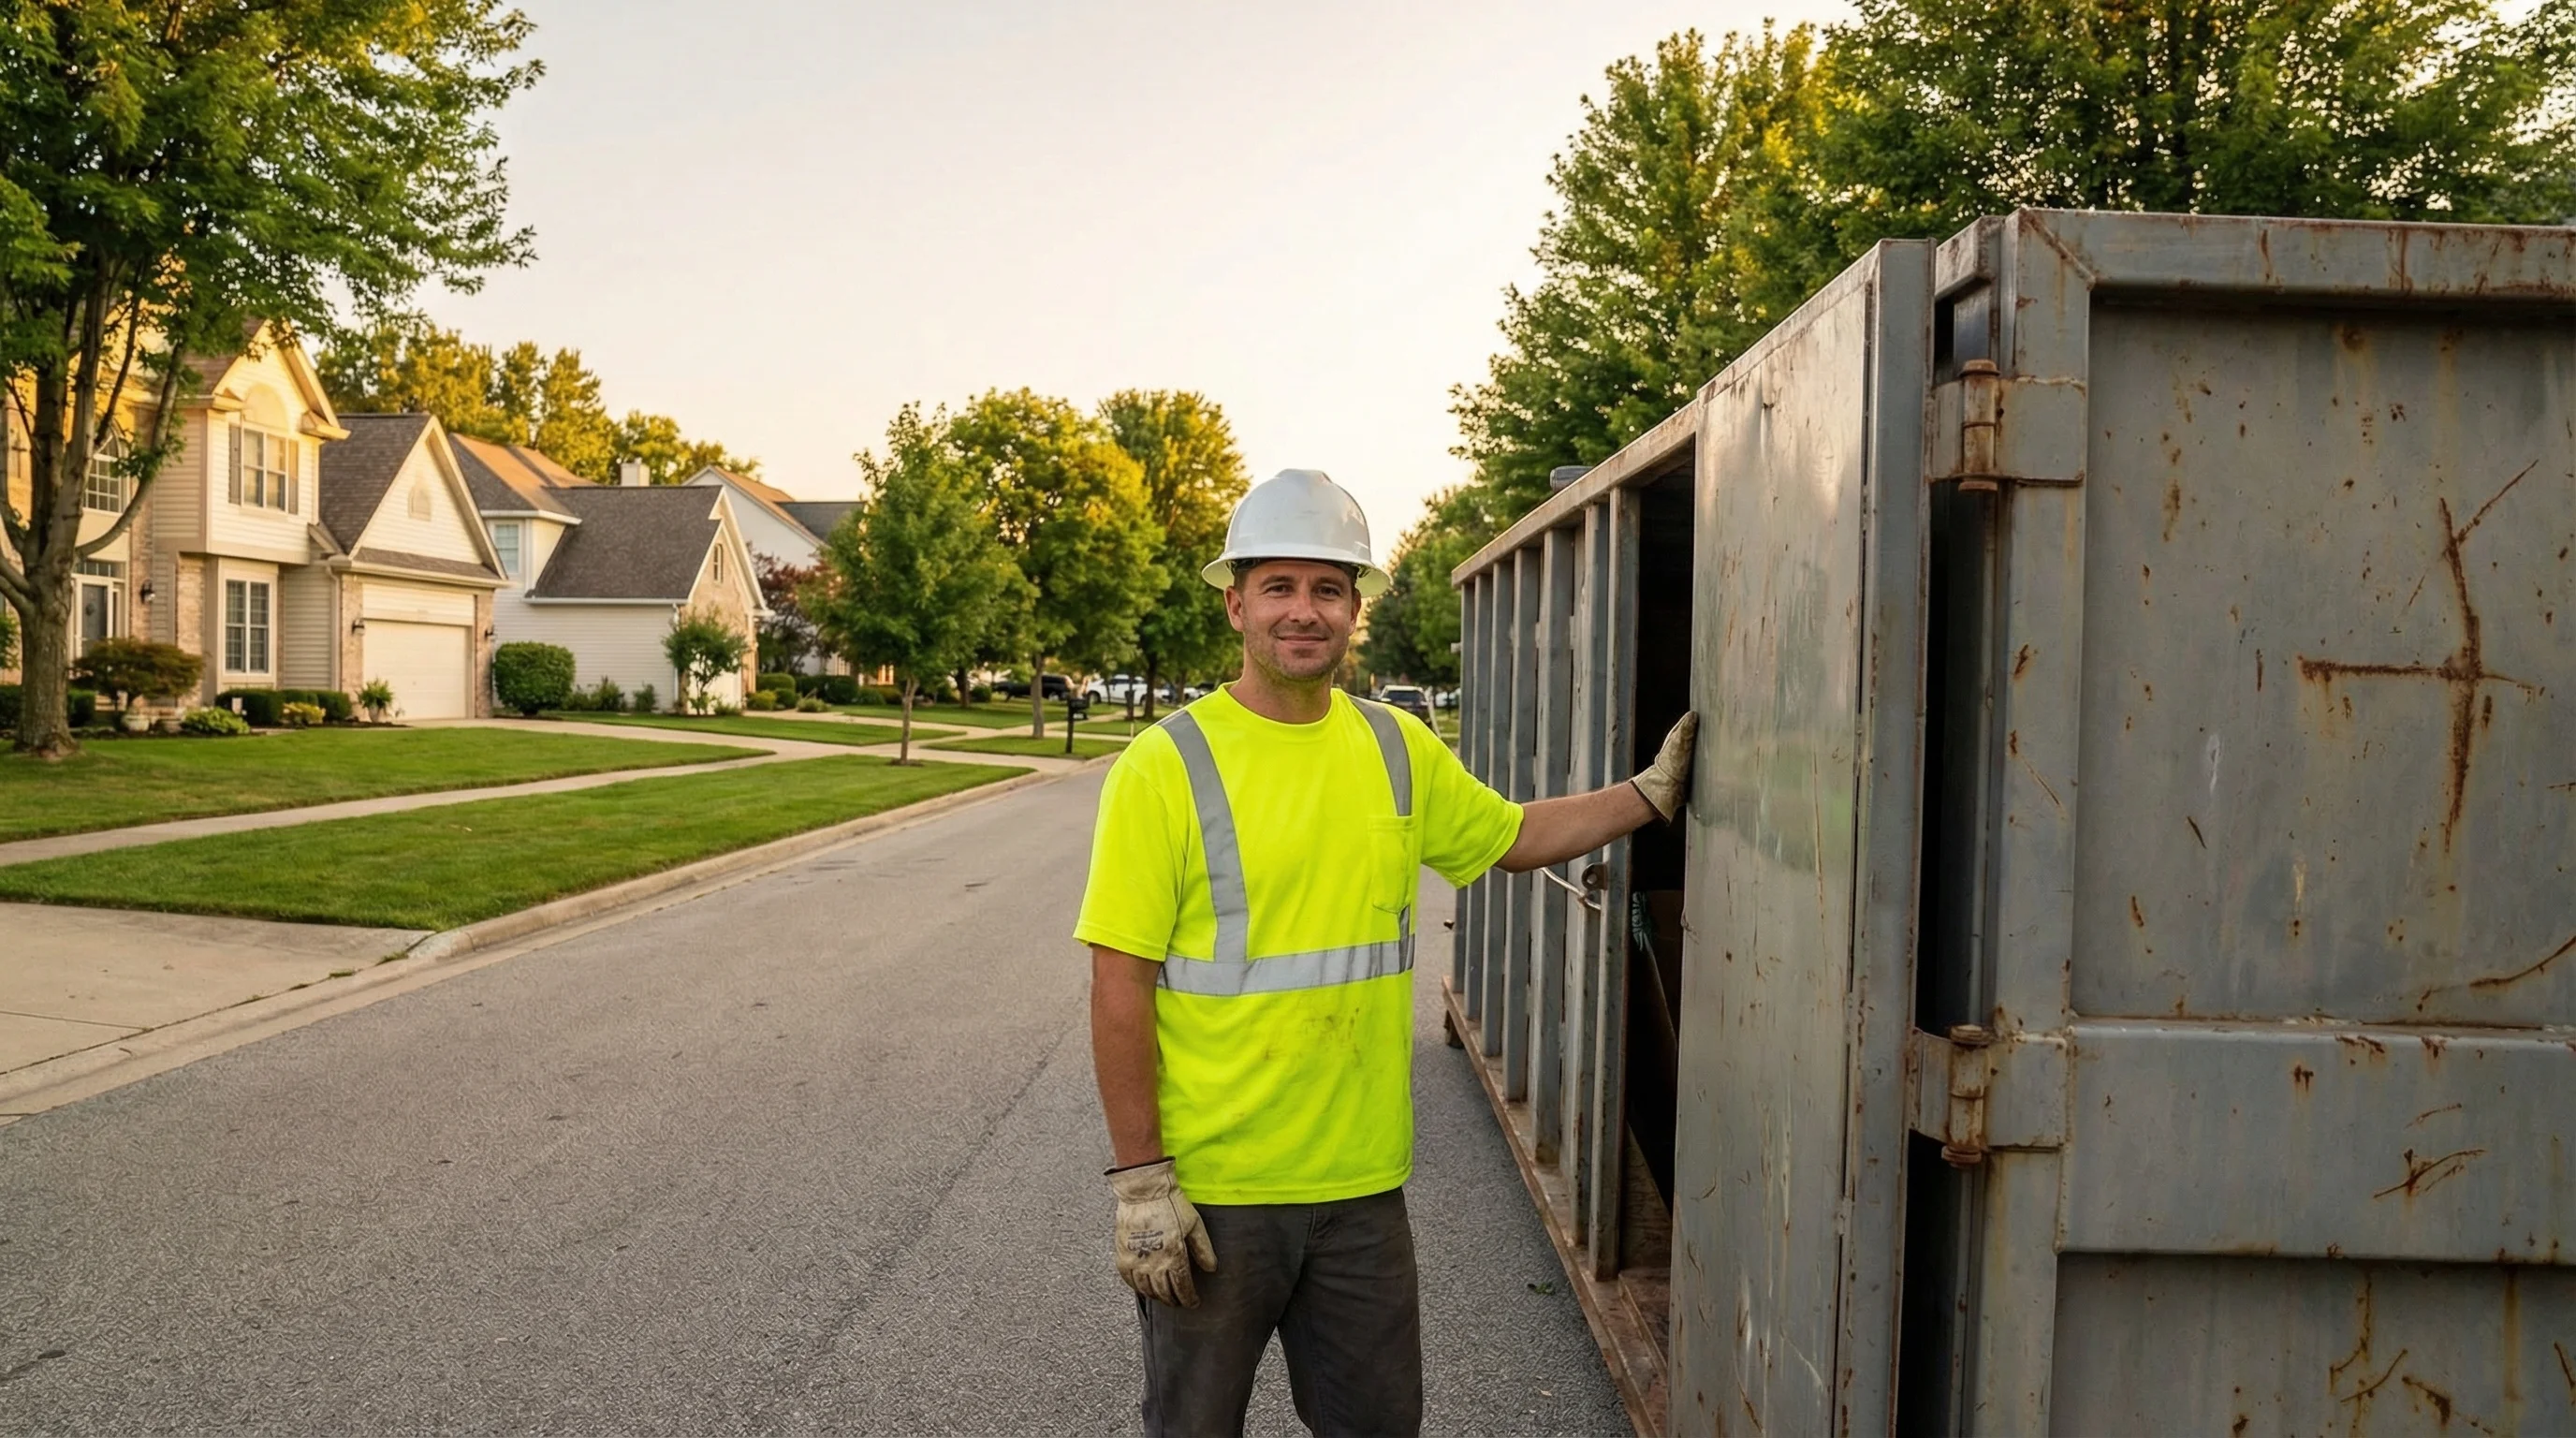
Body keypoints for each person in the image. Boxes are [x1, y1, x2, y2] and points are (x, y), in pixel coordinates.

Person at [1076, 469, 1696, 1437]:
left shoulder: (1395, 745)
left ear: (1353, 610)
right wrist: (1141, 1181)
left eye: (1326, 589)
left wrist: (1647, 796)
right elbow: (1119, 983)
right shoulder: (1167, 764)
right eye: (1278, 587)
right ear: (1236, 603)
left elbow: (1510, 834)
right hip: (1217, 1195)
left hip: (1361, 1192)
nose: (1303, 612)